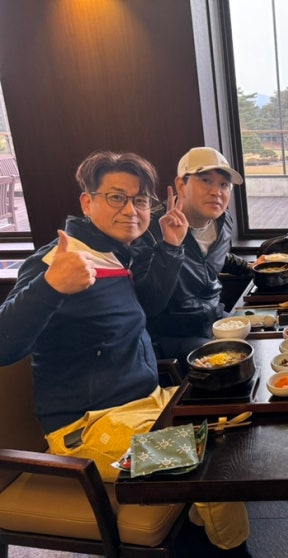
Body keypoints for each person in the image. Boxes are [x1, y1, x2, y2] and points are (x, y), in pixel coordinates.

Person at [0, 151, 251, 556]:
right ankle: (230, 549)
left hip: (146, 404)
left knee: (235, 420)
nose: (131, 210)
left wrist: (171, 246)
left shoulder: (116, 255)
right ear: (87, 202)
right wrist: (49, 287)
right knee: (211, 461)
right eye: (116, 197)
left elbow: (146, 307)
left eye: (140, 200)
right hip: (90, 429)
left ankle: (196, 530)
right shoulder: (58, 259)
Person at [141, 146, 253, 366]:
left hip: (215, 320)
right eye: (206, 181)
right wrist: (170, 247)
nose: (216, 192)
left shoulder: (223, 221)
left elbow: (213, 258)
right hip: (173, 337)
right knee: (234, 363)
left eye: (224, 184)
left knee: (270, 332)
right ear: (181, 185)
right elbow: (148, 302)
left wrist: (253, 269)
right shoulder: (149, 230)